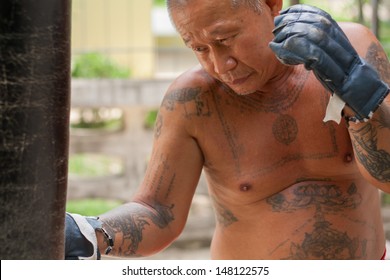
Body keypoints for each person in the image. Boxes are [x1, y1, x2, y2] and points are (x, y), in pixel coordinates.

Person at [65, 0, 390, 260]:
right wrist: (88, 233)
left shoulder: (352, 50)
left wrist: (360, 95)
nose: (220, 66)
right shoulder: (192, 101)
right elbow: (158, 210)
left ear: (271, 5)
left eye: (225, 40)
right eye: (199, 48)